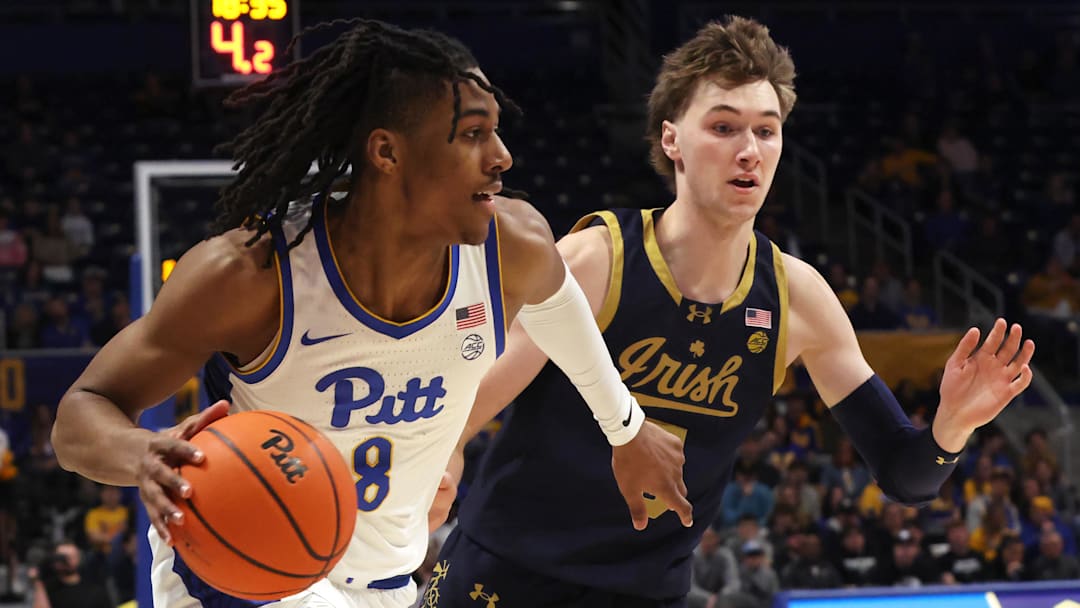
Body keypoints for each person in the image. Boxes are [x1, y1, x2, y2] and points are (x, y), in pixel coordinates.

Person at [51, 19, 688, 608]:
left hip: (385, 582)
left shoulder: (513, 245)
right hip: (243, 574)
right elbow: (83, 413)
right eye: (472, 135)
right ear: (387, 153)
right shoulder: (253, 276)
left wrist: (625, 427)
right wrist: (142, 455)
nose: (502, 156)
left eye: (496, 130)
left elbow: (558, 306)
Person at [427, 16, 1034, 606]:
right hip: (507, 572)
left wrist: (953, 424)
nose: (749, 151)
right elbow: (469, 407)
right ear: (672, 139)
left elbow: (906, 476)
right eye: (724, 127)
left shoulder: (800, 299)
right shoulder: (596, 260)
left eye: (766, 131)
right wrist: (445, 460)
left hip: (645, 592)